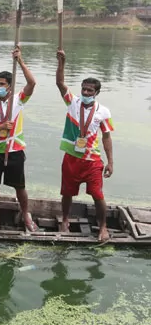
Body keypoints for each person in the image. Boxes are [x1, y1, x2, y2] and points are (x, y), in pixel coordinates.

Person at [55, 48, 114, 242]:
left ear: (97, 92)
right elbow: (60, 83)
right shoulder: (73, 102)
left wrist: (110, 162)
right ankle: (64, 220)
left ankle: (103, 227)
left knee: (97, 194)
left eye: (90, 90)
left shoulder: (103, 111)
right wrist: (61, 63)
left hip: (91, 160)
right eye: (84, 89)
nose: (86, 92)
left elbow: (106, 137)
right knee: (67, 193)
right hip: (72, 158)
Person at [0, 46, 37, 232]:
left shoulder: (18, 100)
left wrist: (20, 61)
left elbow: (32, 83)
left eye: (2, 84)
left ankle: (26, 213)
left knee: (20, 186)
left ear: (10, 86)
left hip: (15, 149)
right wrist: (0, 127)